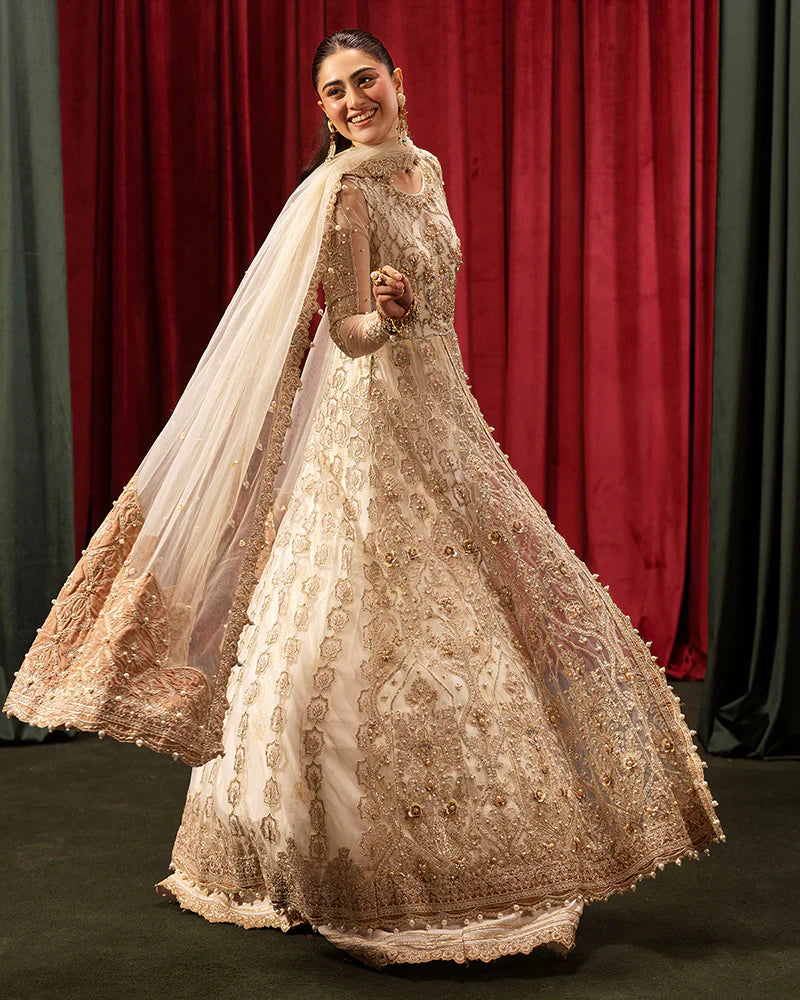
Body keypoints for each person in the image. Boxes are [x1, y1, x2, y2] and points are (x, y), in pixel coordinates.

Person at [4, 29, 725, 969]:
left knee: (476, 620)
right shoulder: (343, 192)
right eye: (335, 92)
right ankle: (335, 856)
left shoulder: (426, 172)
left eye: (365, 80)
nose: (353, 102)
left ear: (399, 82)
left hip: (445, 422)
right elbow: (342, 331)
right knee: (346, 625)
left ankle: (491, 845)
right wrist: (381, 315)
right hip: (368, 434)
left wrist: (414, 323)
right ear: (323, 111)